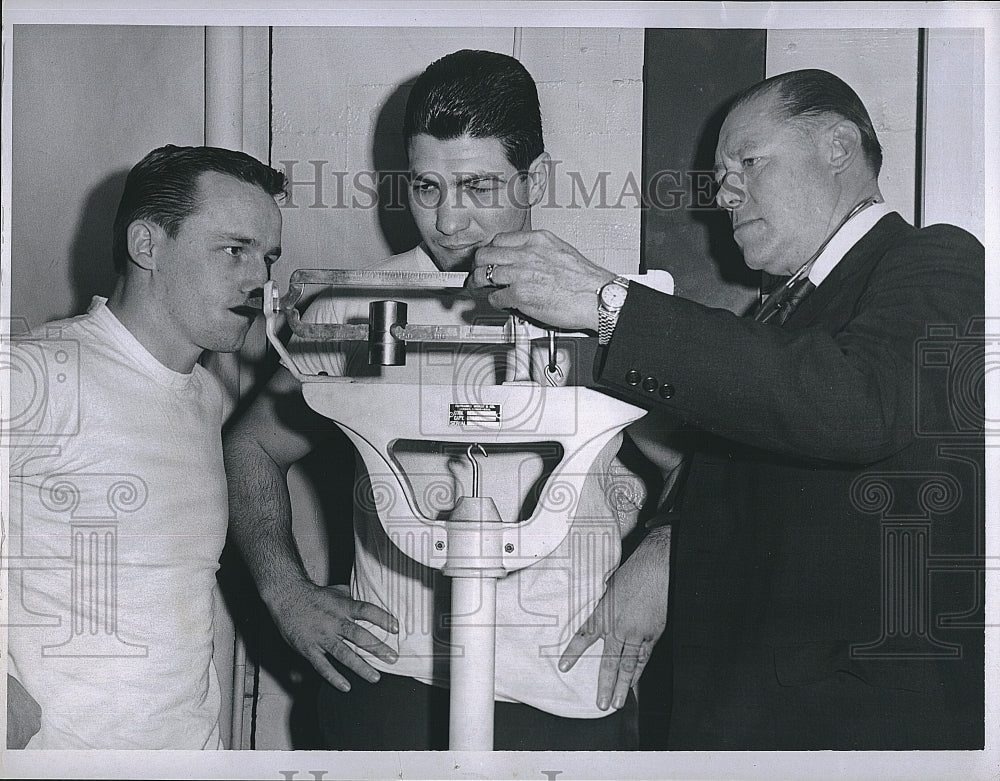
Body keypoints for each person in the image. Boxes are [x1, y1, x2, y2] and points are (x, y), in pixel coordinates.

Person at [470, 69, 985, 750]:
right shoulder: (774, 316)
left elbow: (858, 402)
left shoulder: (937, 259)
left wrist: (607, 303)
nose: (724, 191)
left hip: (853, 725)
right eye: (721, 174)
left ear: (838, 145)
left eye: (748, 161)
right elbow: (744, 455)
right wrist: (665, 538)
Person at [223, 49, 660, 750]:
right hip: (393, 684)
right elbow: (251, 444)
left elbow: (707, 467)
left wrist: (662, 554)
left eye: (478, 186)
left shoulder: (601, 309)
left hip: (561, 690)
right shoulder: (358, 309)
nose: (449, 222)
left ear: (535, 177)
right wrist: (285, 592)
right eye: (426, 187)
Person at [6, 144, 285, 749]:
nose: (260, 279)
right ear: (147, 245)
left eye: (267, 258)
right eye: (233, 251)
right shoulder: (39, 371)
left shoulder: (206, 397)